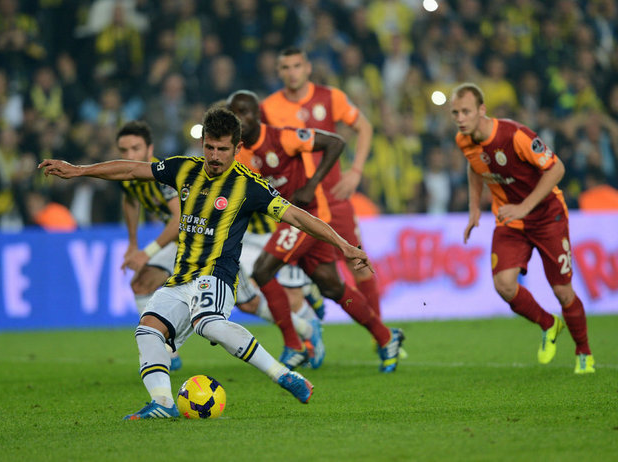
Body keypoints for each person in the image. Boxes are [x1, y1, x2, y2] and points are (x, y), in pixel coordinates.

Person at [38, 107, 373, 419]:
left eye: (222, 149)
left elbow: (298, 217)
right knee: (147, 331)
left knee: (208, 324)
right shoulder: (183, 168)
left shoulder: (250, 186)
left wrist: (343, 245)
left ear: (237, 148)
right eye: (209, 147)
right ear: (202, 143)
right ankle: (162, 402)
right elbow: (130, 169)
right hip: (181, 277)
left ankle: (284, 375)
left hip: (216, 275)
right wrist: (79, 170)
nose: (214, 156)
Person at [228, 90, 404, 373]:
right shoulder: (241, 156)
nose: (240, 119)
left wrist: (311, 185)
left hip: (311, 218)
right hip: (291, 221)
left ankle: (294, 345)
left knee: (262, 270)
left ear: (257, 114)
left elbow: (336, 142)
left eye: (245, 112)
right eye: (234, 114)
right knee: (332, 287)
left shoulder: (283, 137)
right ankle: (386, 336)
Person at [260, 47, 405, 357]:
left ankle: (378, 335)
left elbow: (364, 127)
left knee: (358, 265)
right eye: (285, 67)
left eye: (296, 66)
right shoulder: (268, 108)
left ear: (307, 68)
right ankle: (314, 323)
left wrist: (356, 171)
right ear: (279, 71)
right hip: (297, 206)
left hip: (334, 198)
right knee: (296, 276)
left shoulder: (330, 97)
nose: (291, 72)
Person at [450, 82, 594, 374]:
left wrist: (525, 207)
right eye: (455, 113)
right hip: (511, 220)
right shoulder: (463, 140)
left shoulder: (515, 135)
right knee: (503, 285)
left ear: (481, 109)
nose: (460, 118)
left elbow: (557, 168)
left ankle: (584, 351)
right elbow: (474, 166)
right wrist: (474, 207)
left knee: (562, 292)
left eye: (466, 111)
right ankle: (549, 324)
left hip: (548, 217)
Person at [115, 120, 183, 371]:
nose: (130, 155)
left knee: (248, 302)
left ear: (149, 149)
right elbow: (131, 201)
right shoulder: (127, 176)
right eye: (124, 150)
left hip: (203, 239)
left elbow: (179, 221)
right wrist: (132, 243)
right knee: (141, 284)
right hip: (180, 242)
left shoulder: (163, 175)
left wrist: (147, 253)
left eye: (136, 148)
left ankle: (297, 328)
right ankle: (166, 352)